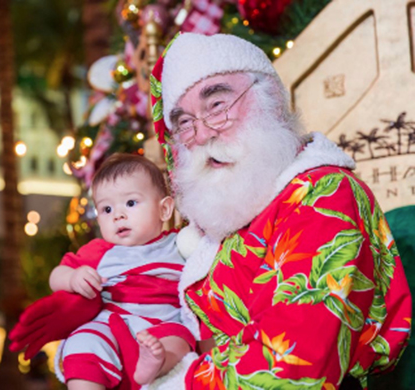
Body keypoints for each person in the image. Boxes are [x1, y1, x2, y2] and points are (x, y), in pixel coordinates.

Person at [111, 32, 411, 389]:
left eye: (218, 105)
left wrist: (180, 381)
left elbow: (296, 362)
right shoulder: (229, 213)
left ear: (270, 98)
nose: (203, 133)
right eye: (185, 123)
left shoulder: (324, 193)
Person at [48, 153, 195, 390]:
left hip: (160, 325)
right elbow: (56, 276)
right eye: (106, 209)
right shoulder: (100, 251)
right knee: (82, 340)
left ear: (165, 209)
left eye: (130, 203)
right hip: (111, 323)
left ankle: (155, 363)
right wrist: (73, 278)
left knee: (180, 340)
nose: (118, 215)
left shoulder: (179, 244)